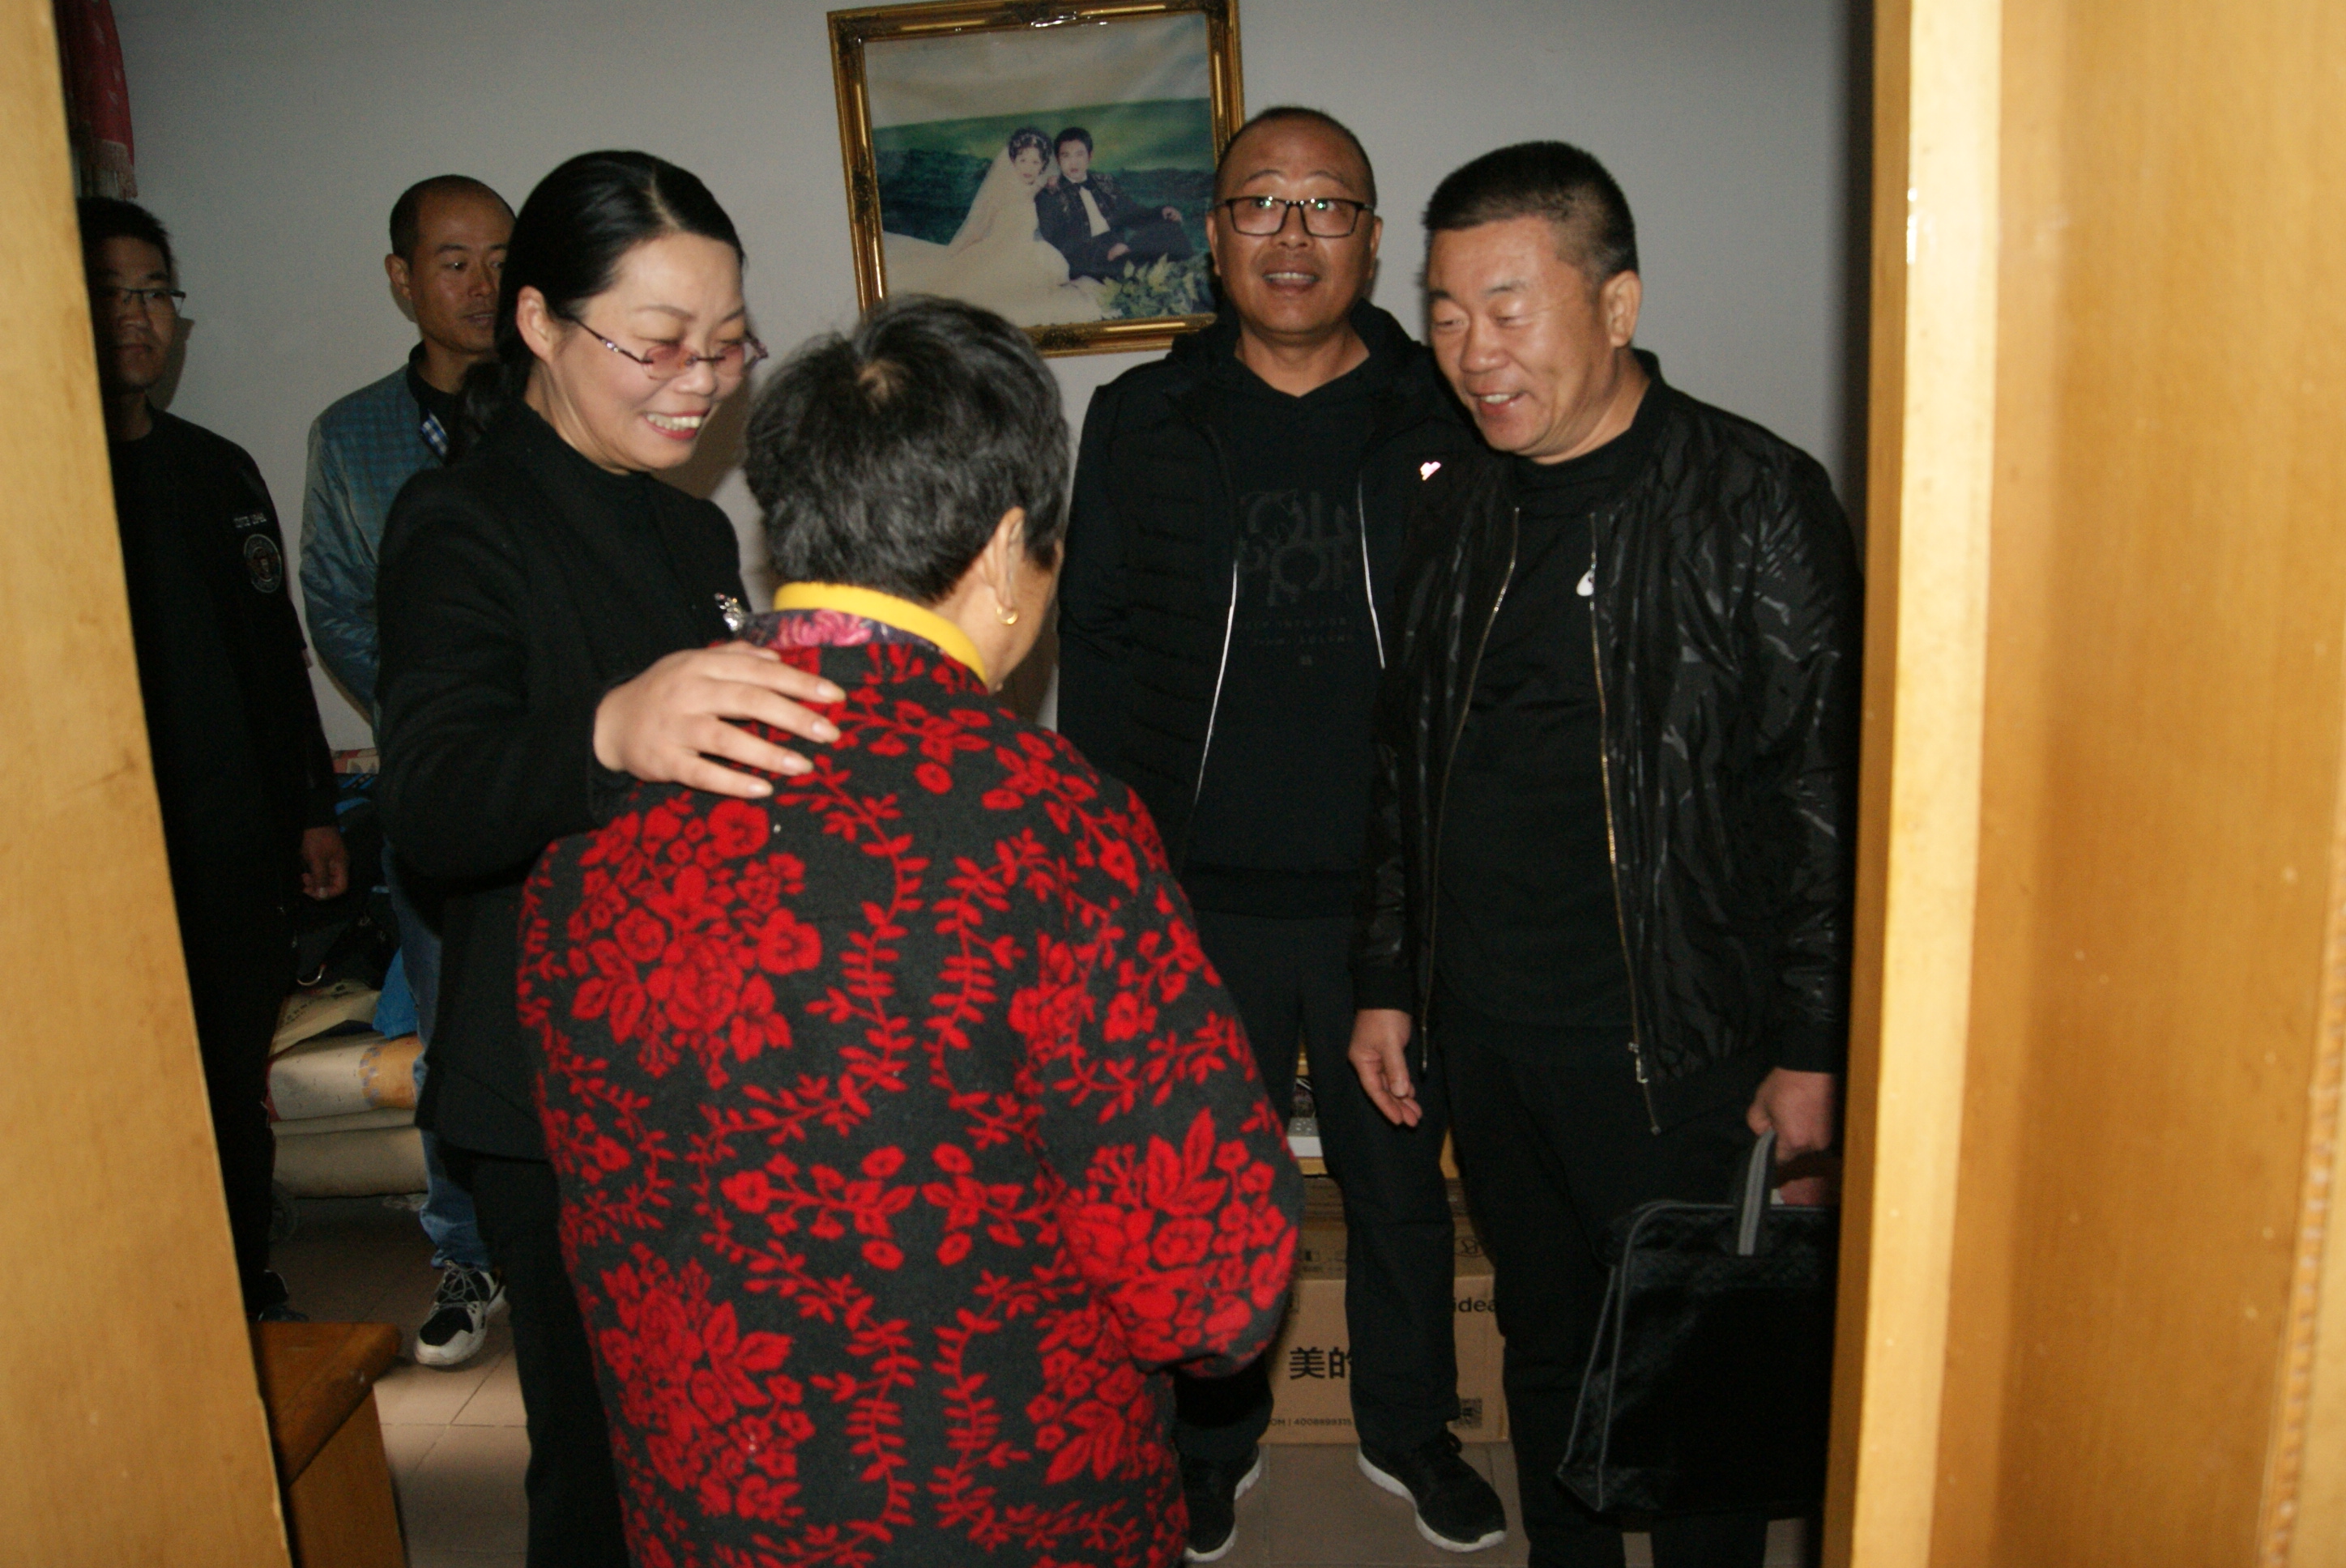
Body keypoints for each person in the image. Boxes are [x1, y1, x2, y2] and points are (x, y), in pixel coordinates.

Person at [517, 294, 1303, 1568]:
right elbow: (1210, 1287)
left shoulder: (606, 798)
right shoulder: (1047, 824)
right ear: (1007, 548)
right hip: (1001, 1509)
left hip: (711, 1511)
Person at [1348, 141, 1862, 1568]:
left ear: (1618, 303)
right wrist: (1387, 973)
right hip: (1493, 1033)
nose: (1472, 351)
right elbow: (1404, 760)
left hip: (1684, 1043)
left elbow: (1828, 792)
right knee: (1544, 1344)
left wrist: (1814, 1044)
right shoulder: (1454, 497)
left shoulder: (1754, 499)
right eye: (1445, 313)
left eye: (1508, 308)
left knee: (1696, 1383)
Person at [375, 151, 841, 1568]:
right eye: (657, 344)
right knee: (604, 1465)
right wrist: (608, 730)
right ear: (536, 322)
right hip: (553, 1088)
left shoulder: (690, 524)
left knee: (717, 1434)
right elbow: (435, 804)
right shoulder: (460, 521)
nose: (700, 383)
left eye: (726, 343)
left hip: (698, 1059)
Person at [1056, 107, 1499, 1562]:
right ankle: (1210, 1441)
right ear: (1213, 232)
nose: (1293, 235)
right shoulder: (1143, 419)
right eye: (1262, 203)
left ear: (1372, 238)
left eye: (1327, 206)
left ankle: (1410, 1428)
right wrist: (1116, 880)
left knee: (1400, 1189)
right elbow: (1098, 648)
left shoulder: (1443, 416)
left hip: (1392, 897)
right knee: (1205, 1191)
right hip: (1200, 898)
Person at [81, 197, 349, 1320]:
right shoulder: (46, 482)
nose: (137, 317)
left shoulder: (218, 472)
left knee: (232, 1080)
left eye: (155, 293)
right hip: (97, 866)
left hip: (234, 848)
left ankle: (243, 1281)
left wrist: (314, 810)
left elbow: (279, 659)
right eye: (110, 292)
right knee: (121, 1092)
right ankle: (158, 1303)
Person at [300, 172, 514, 1370]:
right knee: (447, 1028)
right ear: (402, 278)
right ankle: (465, 1251)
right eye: (453, 260)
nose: (483, 285)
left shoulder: (560, 401)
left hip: (555, 771)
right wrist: (441, 704)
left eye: (501, 258)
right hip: (434, 783)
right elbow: (333, 602)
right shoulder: (353, 436)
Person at [883, 126, 1103, 326]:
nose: (1028, 168)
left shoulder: (1038, 189)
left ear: (1043, 165)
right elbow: (976, 230)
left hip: (1030, 254)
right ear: (1013, 161)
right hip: (998, 254)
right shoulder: (1000, 193)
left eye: (1035, 162)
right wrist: (952, 255)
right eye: (1023, 160)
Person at [1034, 126, 1192, 283]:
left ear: (1090, 156)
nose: (1073, 162)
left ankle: (1190, 280)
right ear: (1058, 160)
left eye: (1079, 155)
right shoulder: (1049, 196)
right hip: (1089, 263)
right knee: (1143, 266)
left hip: (1121, 249)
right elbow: (1059, 243)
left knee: (1169, 228)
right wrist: (1105, 253)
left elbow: (1131, 213)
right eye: (1066, 156)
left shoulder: (1105, 182)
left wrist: (1160, 213)